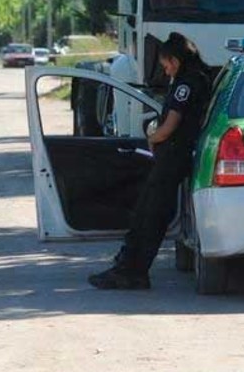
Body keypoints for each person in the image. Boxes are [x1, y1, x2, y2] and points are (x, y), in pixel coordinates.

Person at [89, 32, 212, 290]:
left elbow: (170, 126)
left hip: (172, 158)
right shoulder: (198, 79)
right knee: (150, 213)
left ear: (176, 61)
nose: (165, 70)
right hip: (178, 158)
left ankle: (131, 271)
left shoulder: (184, 85)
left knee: (149, 215)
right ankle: (129, 268)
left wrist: (153, 138)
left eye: (166, 64)